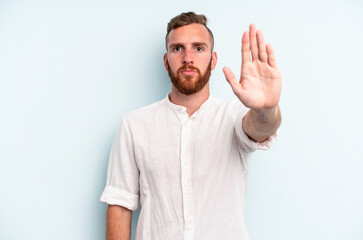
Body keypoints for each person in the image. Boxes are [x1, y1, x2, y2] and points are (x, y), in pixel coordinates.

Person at [100, 11, 282, 240]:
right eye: (178, 48)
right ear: (166, 61)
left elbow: (260, 128)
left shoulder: (234, 115)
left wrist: (265, 109)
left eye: (198, 48)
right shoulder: (134, 125)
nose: (188, 57)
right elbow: (119, 204)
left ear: (213, 59)